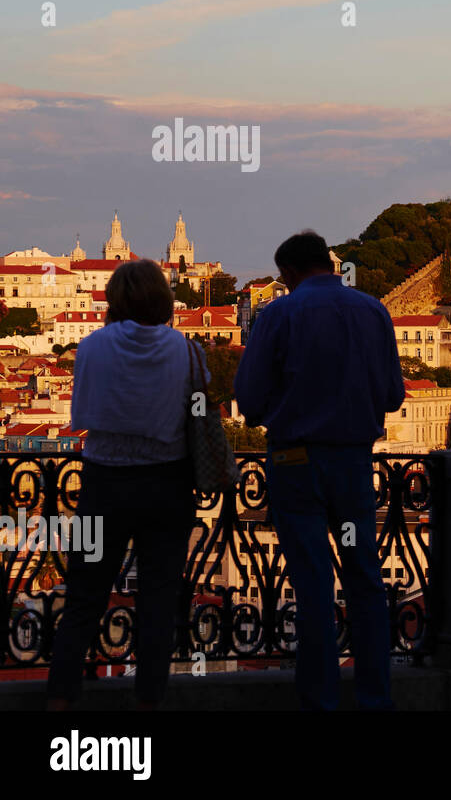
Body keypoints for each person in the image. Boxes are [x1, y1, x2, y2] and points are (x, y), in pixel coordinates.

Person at [234, 230, 404, 710]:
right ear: (329, 265)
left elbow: (247, 397)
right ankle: (375, 697)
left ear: (287, 273)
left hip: (296, 463)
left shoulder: (279, 314)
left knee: (312, 585)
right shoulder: (373, 311)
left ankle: (321, 701)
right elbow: (393, 395)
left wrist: (280, 408)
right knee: (365, 581)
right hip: (352, 462)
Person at [48, 259, 204, 710]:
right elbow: (197, 411)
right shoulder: (187, 350)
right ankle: (148, 704)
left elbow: (81, 413)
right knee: (157, 601)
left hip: (104, 486)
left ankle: (60, 700)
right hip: (167, 487)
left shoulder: (92, 347)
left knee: (83, 596)